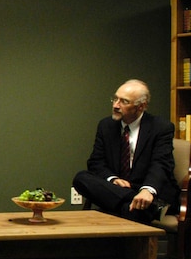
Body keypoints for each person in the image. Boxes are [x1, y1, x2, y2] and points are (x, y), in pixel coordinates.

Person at [73, 79, 179, 223]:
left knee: (130, 210)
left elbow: (161, 164)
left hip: (146, 188)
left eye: (124, 101)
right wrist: (113, 179)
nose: (116, 105)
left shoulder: (161, 127)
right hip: (117, 189)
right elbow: (96, 162)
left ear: (141, 106)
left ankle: (139, 205)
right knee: (81, 178)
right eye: (115, 99)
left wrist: (147, 190)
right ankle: (149, 207)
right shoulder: (106, 126)